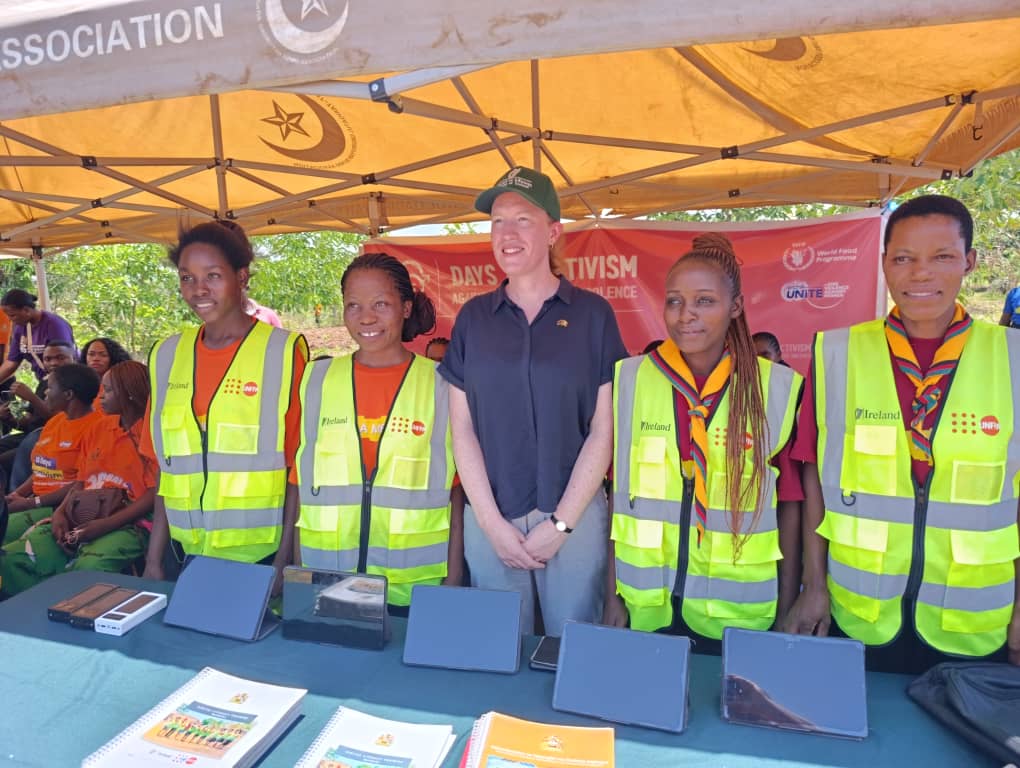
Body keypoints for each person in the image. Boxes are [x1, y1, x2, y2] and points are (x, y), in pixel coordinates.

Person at [784, 194, 1020, 673]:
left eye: (942, 258)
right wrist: (815, 585)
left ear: (969, 262)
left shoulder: (1014, 359)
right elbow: (813, 479)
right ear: (885, 263)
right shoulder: (837, 354)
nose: (921, 274)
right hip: (859, 612)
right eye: (904, 259)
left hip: (974, 621)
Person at [439, 166, 627, 636]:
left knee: (574, 647)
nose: (507, 233)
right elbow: (462, 429)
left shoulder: (592, 315)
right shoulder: (474, 319)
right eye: (498, 221)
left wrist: (560, 525)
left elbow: (604, 431)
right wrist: (491, 524)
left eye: (522, 219)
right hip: (491, 515)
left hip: (574, 516)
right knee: (499, 650)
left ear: (553, 232)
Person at [605, 234, 804, 650]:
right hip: (647, 605)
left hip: (738, 614)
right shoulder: (630, 380)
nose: (685, 315)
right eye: (674, 301)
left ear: (735, 307)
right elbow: (619, 500)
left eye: (704, 301)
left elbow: (789, 508)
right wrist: (613, 595)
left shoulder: (778, 390)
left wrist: (788, 604)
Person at [140, 221, 308, 591]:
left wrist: (285, 560)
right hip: (184, 555)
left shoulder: (281, 352)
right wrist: (154, 558)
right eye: (187, 277)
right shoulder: (167, 355)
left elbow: (298, 467)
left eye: (212, 276)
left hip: (259, 559)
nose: (199, 289)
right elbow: (168, 472)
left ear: (241, 276)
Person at [292, 253, 460, 609]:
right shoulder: (315, 380)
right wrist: (297, 571)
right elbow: (299, 483)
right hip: (326, 576)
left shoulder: (441, 385)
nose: (366, 317)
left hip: (413, 586)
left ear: (406, 307)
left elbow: (456, 492)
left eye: (381, 304)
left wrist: (454, 580)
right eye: (353, 305)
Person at [0, 362, 156, 595]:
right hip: (79, 513)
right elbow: (81, 481)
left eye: (109, 390)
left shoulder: (152, 434)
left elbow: (154, 495)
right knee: (12, 561)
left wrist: (104, 525)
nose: (99, 396)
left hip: (128, 521)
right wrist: (61, 514)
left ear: (130, 393)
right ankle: (38, 615)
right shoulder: (100, 428)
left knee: (87, 569)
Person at [0, 289, 74, 385]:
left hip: (64, 381)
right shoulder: (20, 328)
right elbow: (11, 363)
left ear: (26, 310)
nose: (10, 320)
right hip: (45, 381)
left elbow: (65, 360)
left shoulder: (54, 325)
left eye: (13, 315)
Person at [80, 337, 132, 412]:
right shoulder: (79, 385)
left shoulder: (122, 386)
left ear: (114, 358)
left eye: (103, 355)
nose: (96, 359)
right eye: (91, 354)